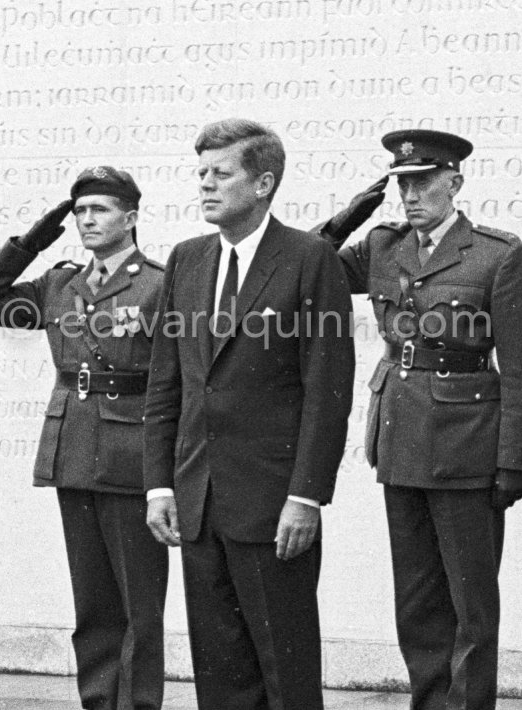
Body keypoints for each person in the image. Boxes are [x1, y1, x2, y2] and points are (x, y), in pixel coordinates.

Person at [143, 118, 355, 710]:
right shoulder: (186, 259)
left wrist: (306, 497)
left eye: (222, 173)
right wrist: (160, 484)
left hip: (273, 505)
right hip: (199, 500)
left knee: (284, 672)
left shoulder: (309, 259)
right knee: (221, 675)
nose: (206, 185)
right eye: (201, 173)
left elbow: (327, 391)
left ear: (263, 183)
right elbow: (168, 385)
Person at [320, 129, 522, 710]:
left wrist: (513, 458)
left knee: (470, 606)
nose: (410, 194)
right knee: (416, 603)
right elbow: (300, 268)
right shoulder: (383, 247)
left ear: (454, 183)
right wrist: (346, 219)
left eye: (423, 181)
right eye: (401, 183)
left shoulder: (496, 254)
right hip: (401, 437)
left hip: (467, 447)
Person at [0, 167, 168, 710]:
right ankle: (99, 701)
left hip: (133, 453)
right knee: (93, 601)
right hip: (73, 448)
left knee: (138, 604)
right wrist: (33, 240)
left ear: (129, 218)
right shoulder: (60, 285)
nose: (87, 220)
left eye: (99, 210)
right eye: (80, 211)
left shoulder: (159, 282)